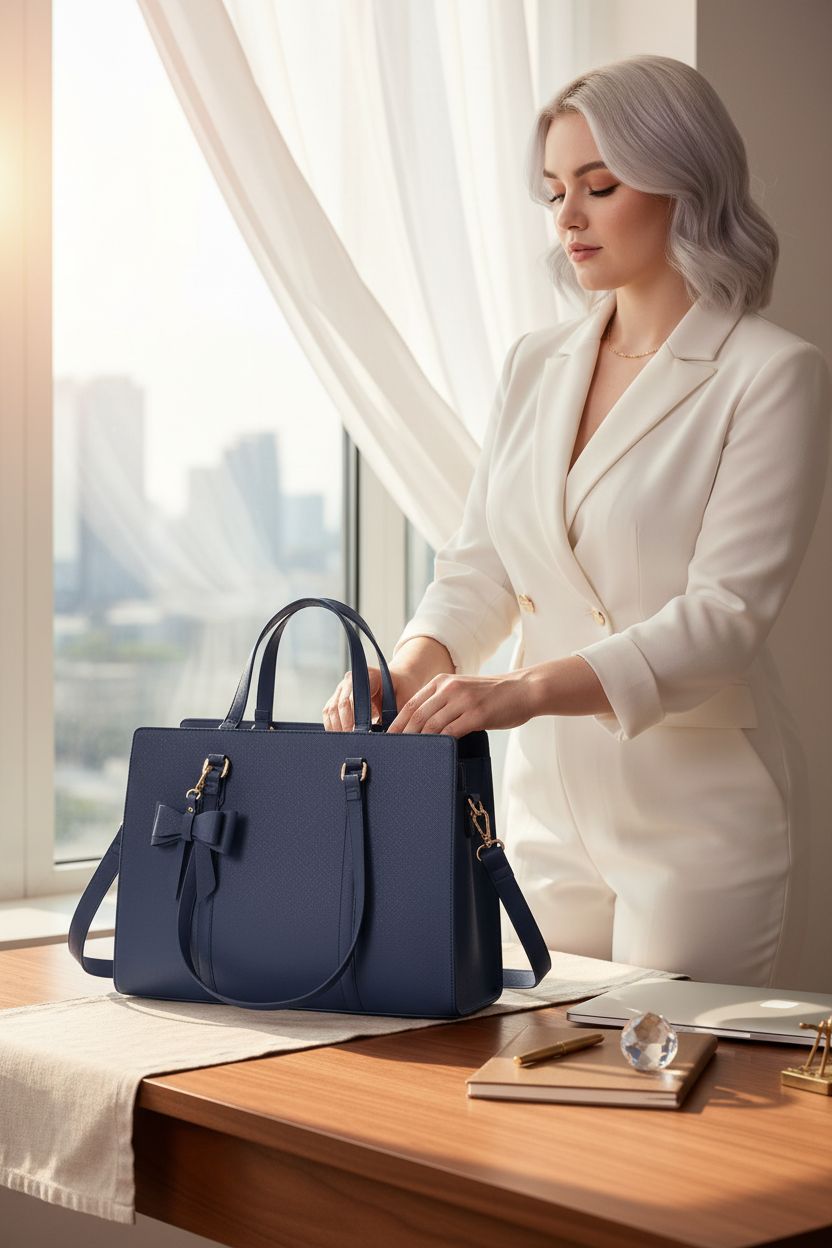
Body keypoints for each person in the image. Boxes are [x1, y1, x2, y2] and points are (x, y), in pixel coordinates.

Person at [322, 55, 831, 988]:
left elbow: (725, 619)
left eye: (599, 186)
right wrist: (414, 663)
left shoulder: (770, 374)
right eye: (555, 190)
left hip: (697, 813)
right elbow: (479, 566)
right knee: (541, 1098)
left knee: (675, 1110)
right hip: (542, 806)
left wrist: (517, 693)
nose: (567, 218)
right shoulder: (534, 363)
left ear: (687, 184)